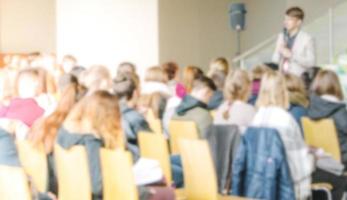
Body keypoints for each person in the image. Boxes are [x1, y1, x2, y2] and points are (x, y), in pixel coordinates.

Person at [252, 71, 314, 199]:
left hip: (258, 187)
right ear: (283, 92)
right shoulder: (286, 120)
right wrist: (313, 158)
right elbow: (300, 165)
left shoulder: (255, 119)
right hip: (285, 187)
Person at [307, 70, 347, 167]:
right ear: (336, 85)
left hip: (320, 159)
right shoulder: (338, 111)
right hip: (342, 159)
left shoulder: (309, 109)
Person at [272, 7, 315, 76]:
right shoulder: (281, 36)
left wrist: (292, 55)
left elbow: (311, 63)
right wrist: (279, 51)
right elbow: (274, 60)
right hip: (282, 78)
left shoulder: (307, 39)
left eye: (289, 19)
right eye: (285, 19)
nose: (285, 22)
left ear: (299, 22)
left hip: (298, 79)